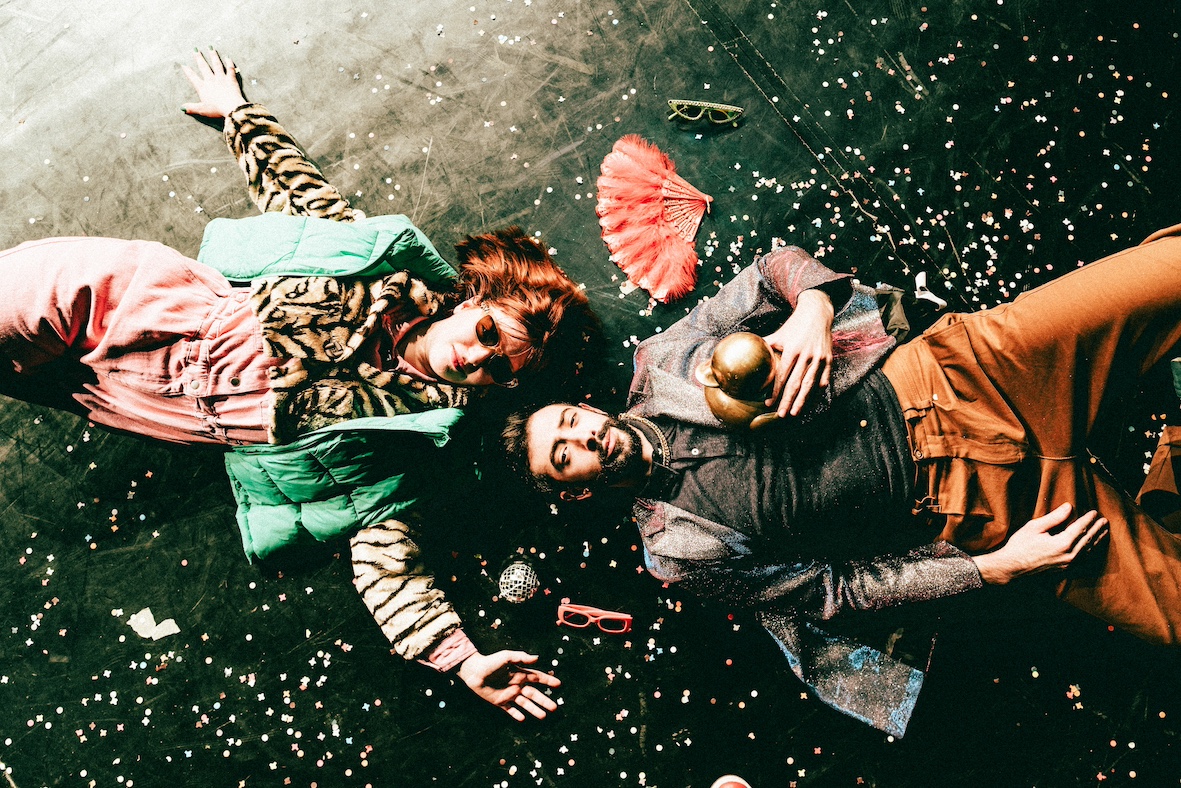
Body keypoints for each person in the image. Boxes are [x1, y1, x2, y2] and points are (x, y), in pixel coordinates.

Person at [0, 50, 588, 722]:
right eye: (486, 333)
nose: (476, 358)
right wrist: (238, 116)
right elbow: (299, 192)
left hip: (142, 401)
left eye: (499, 369)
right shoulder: (376, 265)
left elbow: (387, 559)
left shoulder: (415, 444)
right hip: (144, 301)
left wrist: (460, 657)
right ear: (471, 300)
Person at [502, 227, 1181, 735]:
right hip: (984, 508)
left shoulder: (662, 361)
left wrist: (812, 310)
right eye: (563, 457)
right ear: (576, 490)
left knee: (1169, 270)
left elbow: (772, 270)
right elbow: (837, 591)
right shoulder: (677, 551)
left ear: (585, 407)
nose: (581, 438)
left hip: (962, 372)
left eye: (569, 422)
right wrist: (997, 569)